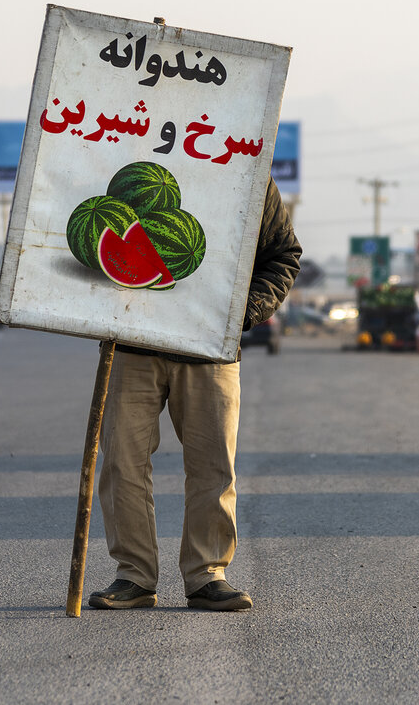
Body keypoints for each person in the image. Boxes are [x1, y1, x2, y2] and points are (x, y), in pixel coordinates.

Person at [89, 178, 301, 612]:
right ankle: (133, 575)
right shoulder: (121, 160)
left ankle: (208, 574)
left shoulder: (246, 168)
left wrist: (244, 311)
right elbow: (89, 240)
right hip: (131, 343)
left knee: (212, 465)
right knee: (121, 462)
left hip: (210, 349)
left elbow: (283, 255)